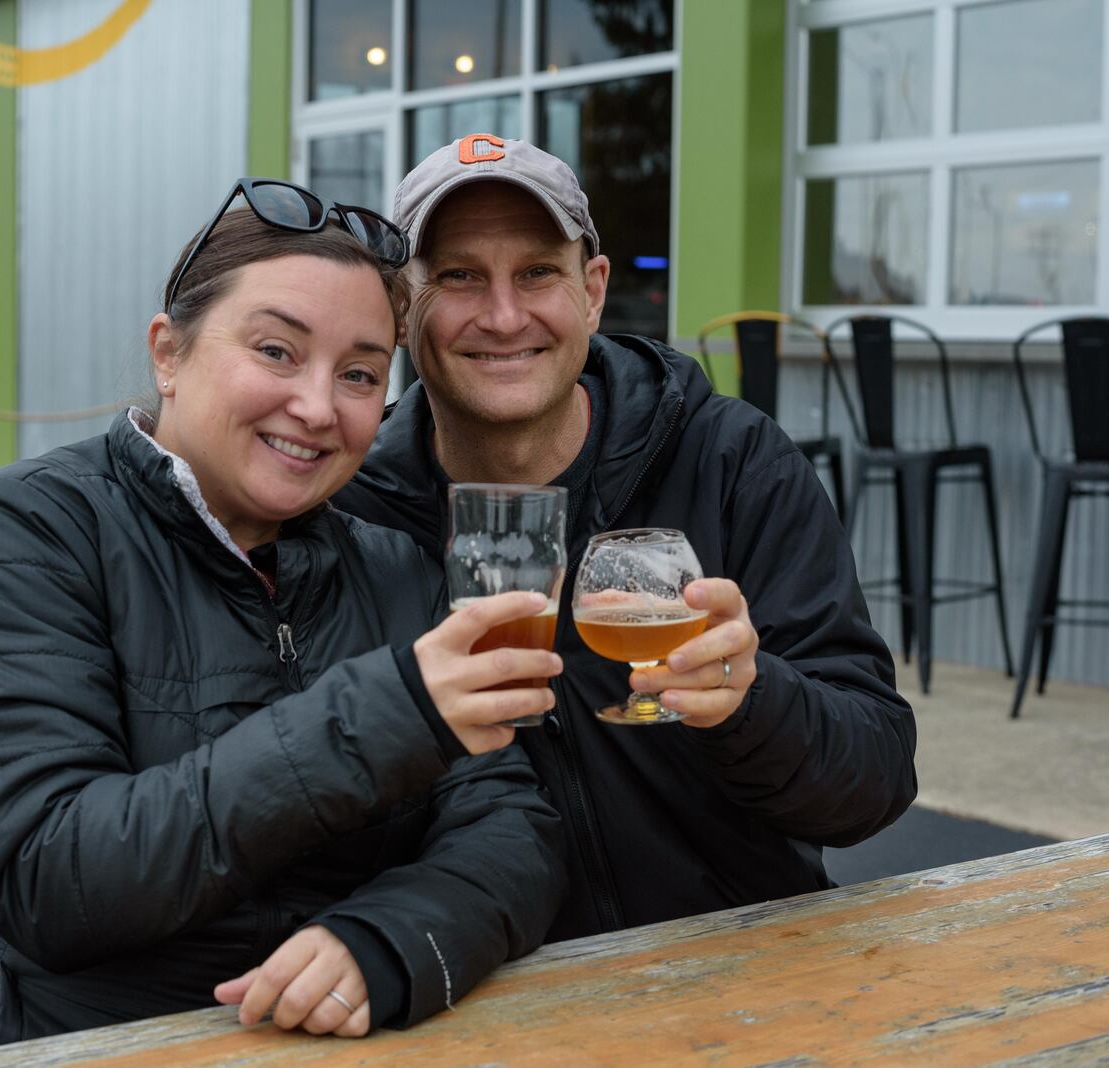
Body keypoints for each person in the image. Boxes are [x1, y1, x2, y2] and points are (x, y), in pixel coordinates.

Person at [0, 180, 568, 1066]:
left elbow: (514, 828)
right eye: (277, 351)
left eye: (360, 374)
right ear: (169, 352)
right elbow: (53, 881)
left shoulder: (390, 568)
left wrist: (389, 940)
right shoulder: (21, 537)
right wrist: (389, 713)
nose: (319, 406)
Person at [335, 134, 917, 941]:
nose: (505, 317)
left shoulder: (729, 460)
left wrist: (751, 703)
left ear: (594, 291)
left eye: (538, 272)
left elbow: (876, 781)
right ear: (404, 309)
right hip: (482, 996)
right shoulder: (350, 515)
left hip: (736, 970)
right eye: (460, 276)